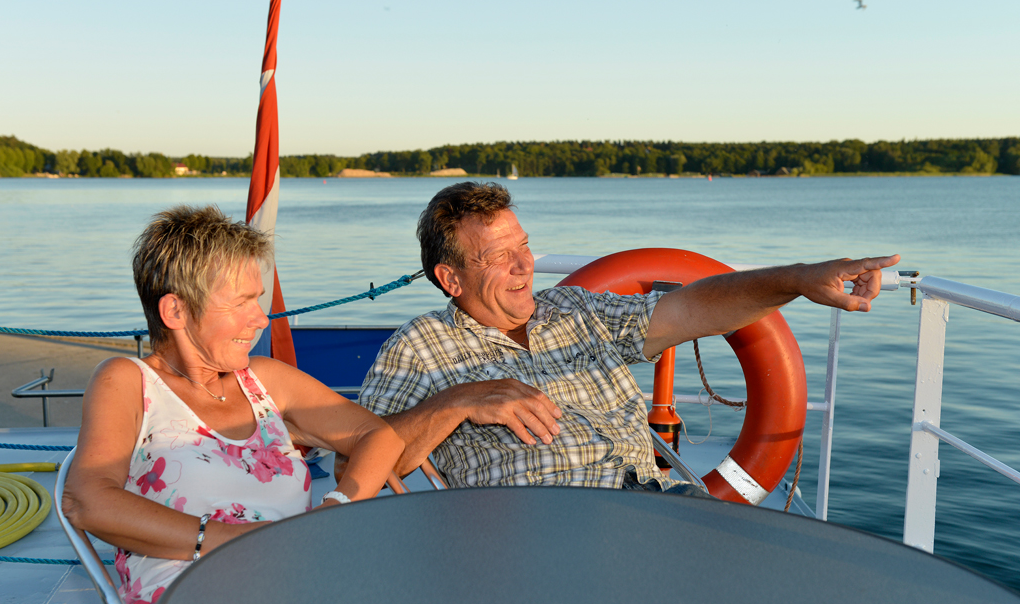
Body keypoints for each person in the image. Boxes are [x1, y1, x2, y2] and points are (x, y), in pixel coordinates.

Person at [358, 181, 898, 494]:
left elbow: (693, 309)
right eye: (500, 256)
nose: (527, 264)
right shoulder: (419, 347)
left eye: (524, 245)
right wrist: (460, 401)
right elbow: (355, 463)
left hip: (653, 506)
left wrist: (799, 280)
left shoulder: (575, 308)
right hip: (532, 532)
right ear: (450, 278)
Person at [63, 205, 404, 604]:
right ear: (176, 311)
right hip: (187, 593)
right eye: (242, 302)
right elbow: (87, 500)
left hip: (295, 579)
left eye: (258, 299)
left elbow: (377, 435)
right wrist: (234, 539)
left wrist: (331, 513)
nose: (261, 318)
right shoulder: (128, 382)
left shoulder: (267, 380)